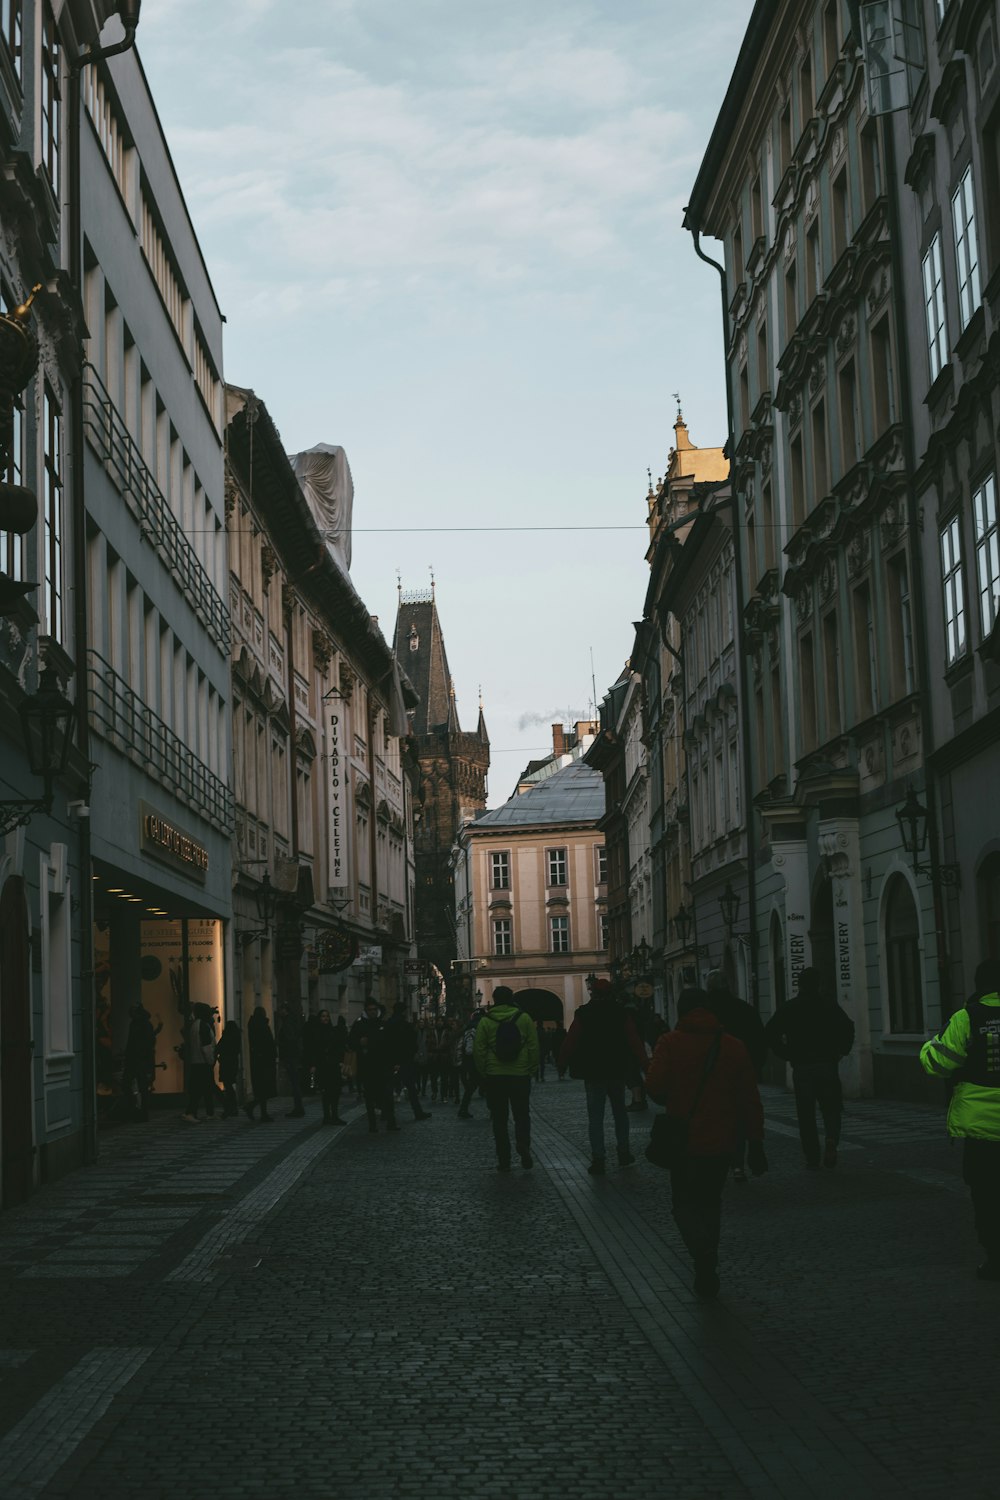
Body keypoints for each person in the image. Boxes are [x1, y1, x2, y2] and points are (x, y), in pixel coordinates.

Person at [646, 988, 767, 1297]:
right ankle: (707, 1259)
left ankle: (702, 1255)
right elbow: (750, 1099)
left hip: (683, 1141)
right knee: (711, 1203)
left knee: (683, 1205)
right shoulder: (733, 1046)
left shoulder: (670, 1043)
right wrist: (755, 1143)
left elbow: (655, 1086)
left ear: (682, 1011)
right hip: (722, 1139)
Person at [920, 958, 1000, 1280]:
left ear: (979, 984)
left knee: (987, 1195)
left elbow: (937, 1064)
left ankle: (995, 1258)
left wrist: (928, 1047)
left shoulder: (967, 1017)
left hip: (982, 1129)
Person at [764, 966, 854, 1169]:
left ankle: (812, 1157)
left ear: (799, 984)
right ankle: (831, 1139)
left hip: (802, 1067)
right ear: (818, 984)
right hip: (827, 1065)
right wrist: (842, 1050)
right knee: (831, 1108)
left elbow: (770, 1032)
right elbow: (848, 1026)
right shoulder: (828, 1005)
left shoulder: (790, 1007)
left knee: (806, 1114)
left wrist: (786, 1053)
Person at [559, 978, 648, 1173]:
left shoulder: (584, 1013)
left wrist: (562, 1062)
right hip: (616, 1069)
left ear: (594, 994)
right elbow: (633, 1040)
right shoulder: (620, 1013)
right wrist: (645, 1063)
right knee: (620, 1113)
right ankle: (624, 1152)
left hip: (593, 1071)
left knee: (596, 1116)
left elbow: (571, 1039)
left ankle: (598, 1158)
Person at [705, 970, 767, 1182]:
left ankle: (723, 1162)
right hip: (742, 1074)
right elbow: (760, 1041)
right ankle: (740, 1163)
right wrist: (756, 1068)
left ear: (709, 988)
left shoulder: (704, 1013)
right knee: (742, 1118)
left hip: (711, 1077)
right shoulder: (745, 1009)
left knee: (717, 1120)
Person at [473, 986, 539, 1170]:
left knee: (500, 1119)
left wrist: (484, 1071)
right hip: (520, 1075)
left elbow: (479, 1050)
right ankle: (523, 1145)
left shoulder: (486, 1021)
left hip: (495, 1075)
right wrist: (531, 1069)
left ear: (494, 999)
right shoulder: (524, 1018)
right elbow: (534, 1046)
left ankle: (504, 1159)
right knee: (522, 1115)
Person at [350, 998, 399, 1133]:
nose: (372, 1012)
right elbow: (351, 1043)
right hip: (368, 1067)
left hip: (384, 1066)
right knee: (370, 1097)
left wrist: (395, 1062)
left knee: (388, 1095)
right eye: (370, 1010)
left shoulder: (383, 1024)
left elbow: (391, 1044)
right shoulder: (359, 1025)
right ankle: (372, 1125)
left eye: (374, 1009)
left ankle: (391, 1122)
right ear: (366, 1011)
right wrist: (360, 1043)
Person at [385, 1002, 432, 1121]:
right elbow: (412, 1043)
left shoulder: (388, 1024)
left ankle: (387, 1114)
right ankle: (418, 1112)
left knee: (389, 1088)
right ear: (404, 1012)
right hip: (405, 1060)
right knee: (411, 1088)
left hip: (390, 1060)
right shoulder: (405, 1025)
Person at [122, 1003, 160, 1121]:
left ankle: (139, 1110)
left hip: (138, 1059)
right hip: (138, 1059)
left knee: (136, 1085)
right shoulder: (140, 1024)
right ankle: (139, 1111)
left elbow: (143, 1044)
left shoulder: (140, 1025)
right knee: (140, 1086)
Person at [182, 1003, 217, 1121]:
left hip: (196, 1061)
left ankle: (208, 1112)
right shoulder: (203, 1026)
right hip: (203, 1062)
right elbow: (206, 1046)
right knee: (200, 1089)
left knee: (204, 1088)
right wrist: (211, 1060)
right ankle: (191, 1112)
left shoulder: (194, 1025)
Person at [313, 1009, 347, 1124]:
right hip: (323, 1066)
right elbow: (313, 1050)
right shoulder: (316, 1032)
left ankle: (335, 1115)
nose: (325, 1018)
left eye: (327, 1016)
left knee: (335, 1091)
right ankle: (327, 1116)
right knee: (326, 1092)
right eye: (323, 1016)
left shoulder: (333, 1031)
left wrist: (340, 1061)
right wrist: (313, 1065)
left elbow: (338, 1047)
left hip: (333, 1065)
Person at [244, 1007, 277, 1122]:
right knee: (264, 1088)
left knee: (262, 1089)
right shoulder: (261, 1026)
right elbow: (267, 1044)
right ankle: (256, 1109)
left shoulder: (254, 1025)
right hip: (264, 1062)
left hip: (258, 1061)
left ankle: (258, 1110)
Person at [277, 1004, 306, 1118]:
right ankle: (299, 1108)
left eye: (281, 1009)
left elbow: (290, 1039)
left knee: (295, 1083)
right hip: (293, 1056)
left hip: (291, 1056)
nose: (280, 1012)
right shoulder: (291, 1021)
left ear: (285, 1011)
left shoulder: (288, 1022)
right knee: (295, 1083)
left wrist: (286, 1054)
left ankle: (298, 1108)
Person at [456, 1010, 483, 1119]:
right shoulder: (477, 1028)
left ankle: (463, 1108)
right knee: (487, 1086)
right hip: (477, 1061)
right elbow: (469, 1049)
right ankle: (493, 1110)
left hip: (470, 1062)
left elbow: (462, 1046)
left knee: (471, 1087)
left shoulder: (468, 1028)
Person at [215, 1019, 242, 1118]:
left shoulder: (226, 1037)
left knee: (228, 1086)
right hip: (233, 1064)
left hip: (226, 1064)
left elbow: (218, 1048)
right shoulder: (236, 1038)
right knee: (229, 1086)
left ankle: (230, 1107)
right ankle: (232, 1107)